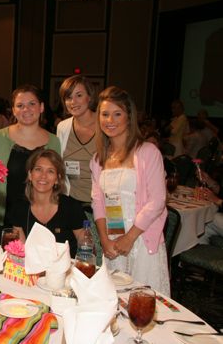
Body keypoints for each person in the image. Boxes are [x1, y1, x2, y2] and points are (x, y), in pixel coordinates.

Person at [91, 86, 169, 295]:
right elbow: (98, 202)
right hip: (114, 238)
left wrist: (130, 238)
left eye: (118, 114)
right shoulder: (98, 158)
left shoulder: (148, 152)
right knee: (115, 299)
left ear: (129, 117)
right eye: (105, 114)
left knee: (142, 301)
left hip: (141, 239)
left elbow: (158, 201)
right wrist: (105, 240)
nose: (110, 120)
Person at [0, 84, 60, 243]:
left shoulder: (53, 141)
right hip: (5, 222)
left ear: (41, 107)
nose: (26, 109)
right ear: (14, 110)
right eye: (20, 105)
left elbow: (58, 181)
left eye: (32, 104)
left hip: (42, 222)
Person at [11, 149, 85, 256]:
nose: (43, 176)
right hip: (32, 269)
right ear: (30, 175)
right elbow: (20, 253)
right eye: (38, 169)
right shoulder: (19, 207)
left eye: (50, 171)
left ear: (57, 179)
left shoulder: (71, 207)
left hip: (66, 269)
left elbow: (86, 245)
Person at [56, 75, 97, 203]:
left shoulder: (106, 125)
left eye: (79, 95)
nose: (73, 102)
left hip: (101, 202)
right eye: (68, 97)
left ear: (89, 97)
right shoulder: (63, 127)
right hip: (70, 199)